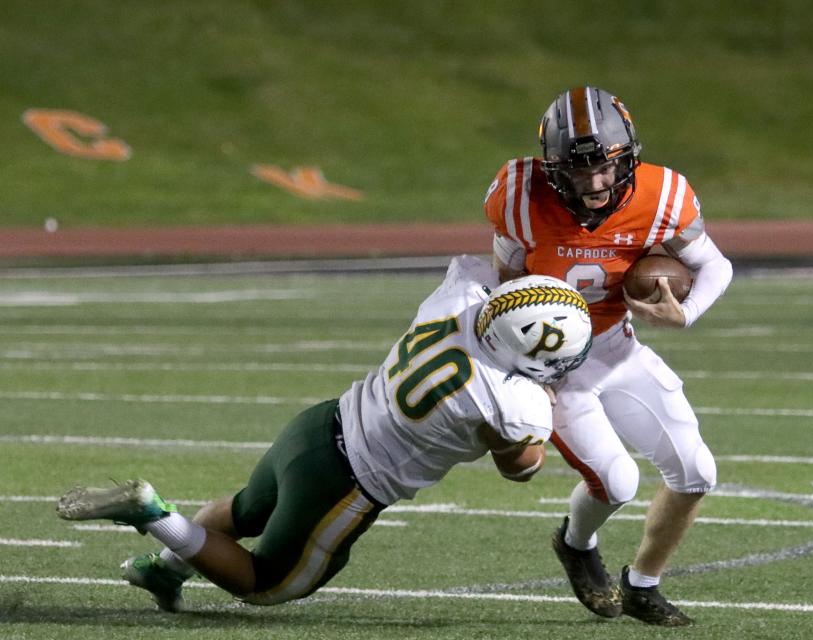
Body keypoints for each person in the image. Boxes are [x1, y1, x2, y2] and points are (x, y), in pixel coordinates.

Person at [56, 255, 592, 612]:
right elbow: (518, 468)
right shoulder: (517, 402)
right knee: (265, 585)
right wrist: (533, 420)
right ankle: (153, 514)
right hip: (348, 484)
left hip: (320, 425)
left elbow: (492, 264)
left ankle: (165, 572)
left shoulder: (458, 298)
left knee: (245, 510)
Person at [483, 86, 733, 626]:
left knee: (696, 472)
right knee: (617, 483)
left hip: (617, 349)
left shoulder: (663, 194)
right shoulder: (518, 196)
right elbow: (504, 281)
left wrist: (684, 315)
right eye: (577, 171)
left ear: (628, 156)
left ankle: (643, 584)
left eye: (606, 167)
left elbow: (717, 266)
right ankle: (576, 544)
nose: (594, 183)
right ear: (552, 168)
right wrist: (524, 367)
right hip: (556, 365)